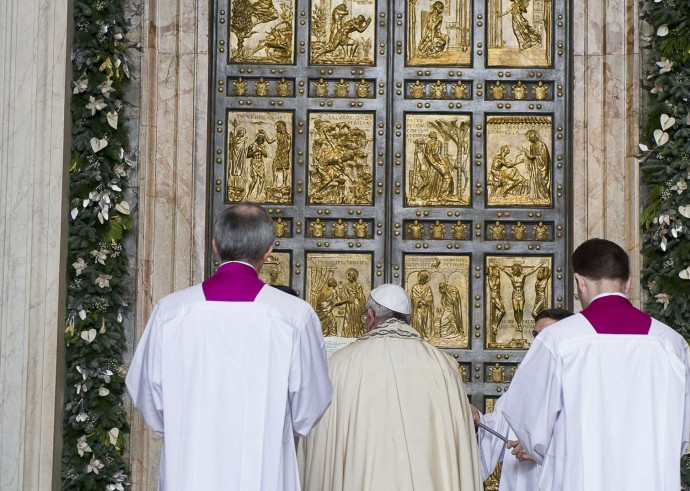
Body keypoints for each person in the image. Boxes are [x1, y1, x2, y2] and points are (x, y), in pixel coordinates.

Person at [126, 204, 332, 491]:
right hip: (265, 468)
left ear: (215, 246)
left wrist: (183, 427)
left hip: (189, 469)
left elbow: (146, 391)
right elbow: (311, 404)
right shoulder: (293, 315)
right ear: (269, 251)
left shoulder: (172, 312)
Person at [501, 238, 690, 490]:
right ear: (628, 282)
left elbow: (528, 426)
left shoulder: (557, 341)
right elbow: (682, 431)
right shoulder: (670, 343)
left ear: (580, 281)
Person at [298, 284, 483, 491]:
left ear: (370, 316)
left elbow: (323, 445)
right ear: (410, 319)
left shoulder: (342, 363)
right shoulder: (443, 364)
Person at [472, 308, 573, 491]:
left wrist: (542, 450)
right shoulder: (526, 380)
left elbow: (591, 440)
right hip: (520, 481)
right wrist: (478, 421)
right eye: (536, 336)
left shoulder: (579, 379)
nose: (538, 342)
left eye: (546, 336)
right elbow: (501, 423)